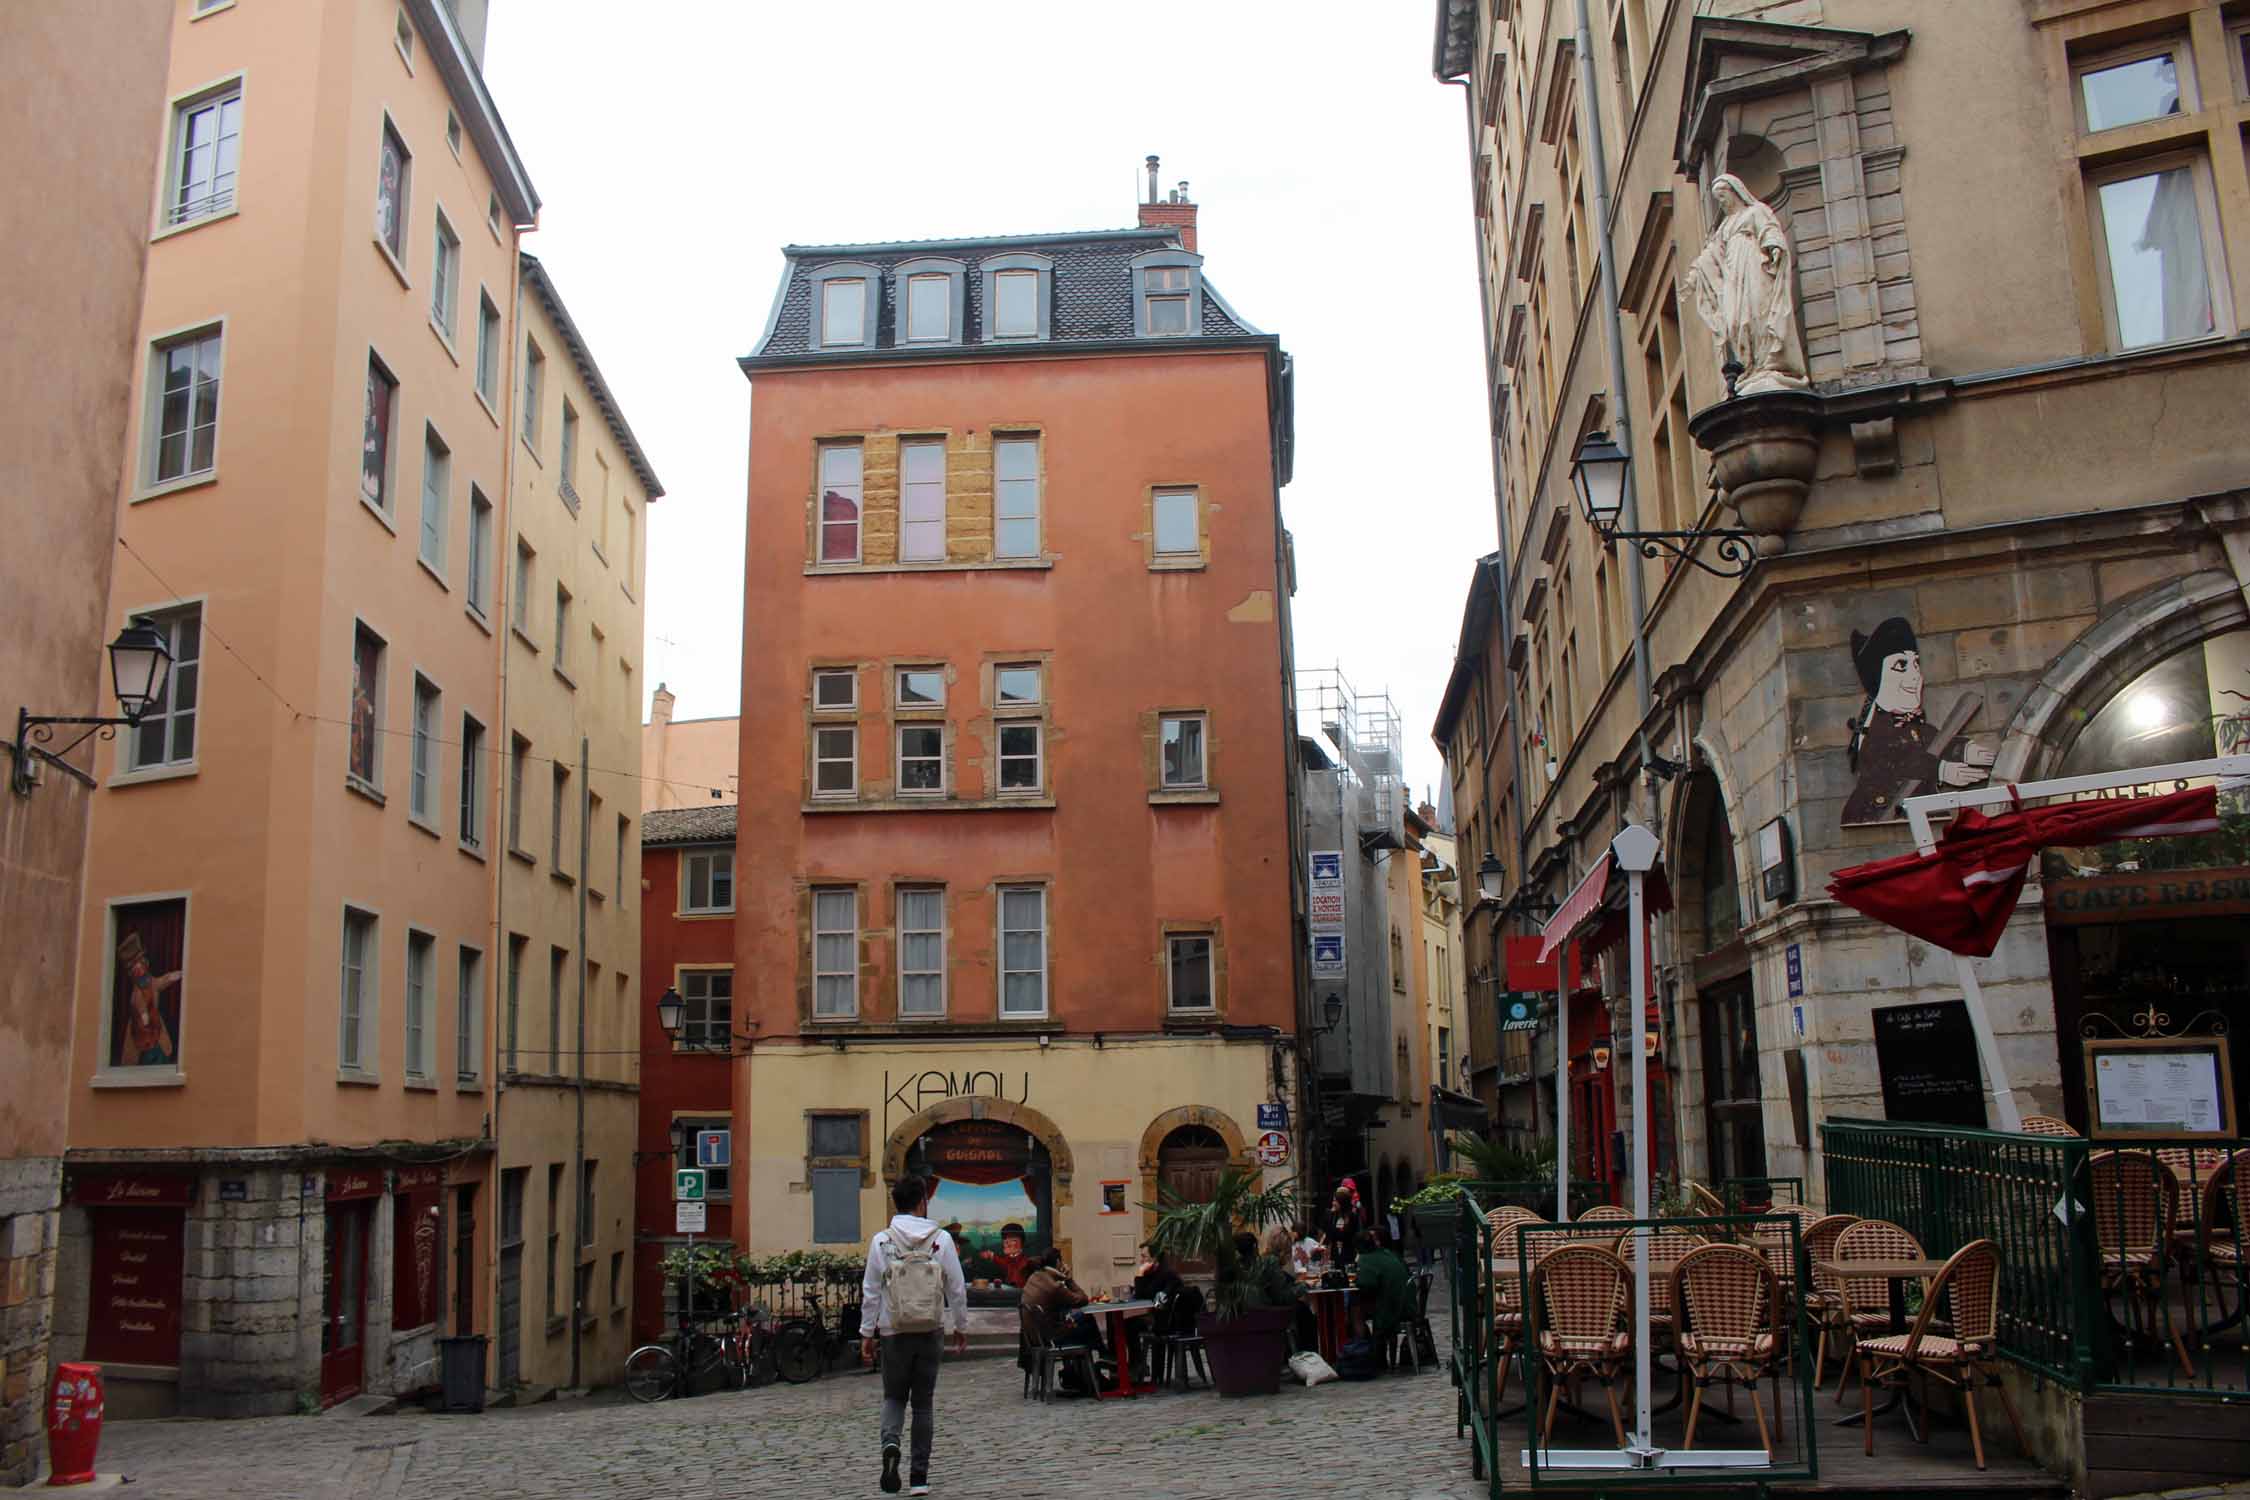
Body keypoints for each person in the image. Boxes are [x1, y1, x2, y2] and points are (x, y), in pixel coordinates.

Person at [859, 1175, 968, 1497]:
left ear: (896, 1203)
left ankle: (890, 1443)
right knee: (923, 1404)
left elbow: (871, 1291)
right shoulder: (942, 1239)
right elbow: (956, 1287)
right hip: (929, 1328)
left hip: (894, 1329)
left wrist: (868, 1331)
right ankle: (919, 1478)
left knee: (894, 1396)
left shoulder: (882, 1241)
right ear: (923, 1201)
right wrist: (961, 1325)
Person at [1351, 1227, 1415, 1368]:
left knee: (1355, 1308)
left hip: (1393, 1308)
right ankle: (1372, 1349)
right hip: (1407, 1303)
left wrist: (1356, 1278)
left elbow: (1366, 1284)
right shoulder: (1389, 1254)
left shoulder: (1367, 1258)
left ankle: (1361, 1351)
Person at [1326, 1182, 1364, 1269]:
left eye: (1335, 1200)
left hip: (1349, 1256)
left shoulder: (1353, 1216)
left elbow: (1358, 1236)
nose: (1333, 1203)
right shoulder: (1332, 1215)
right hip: (1335, 1256)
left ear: (1342, 1201)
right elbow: (1329, 1235)